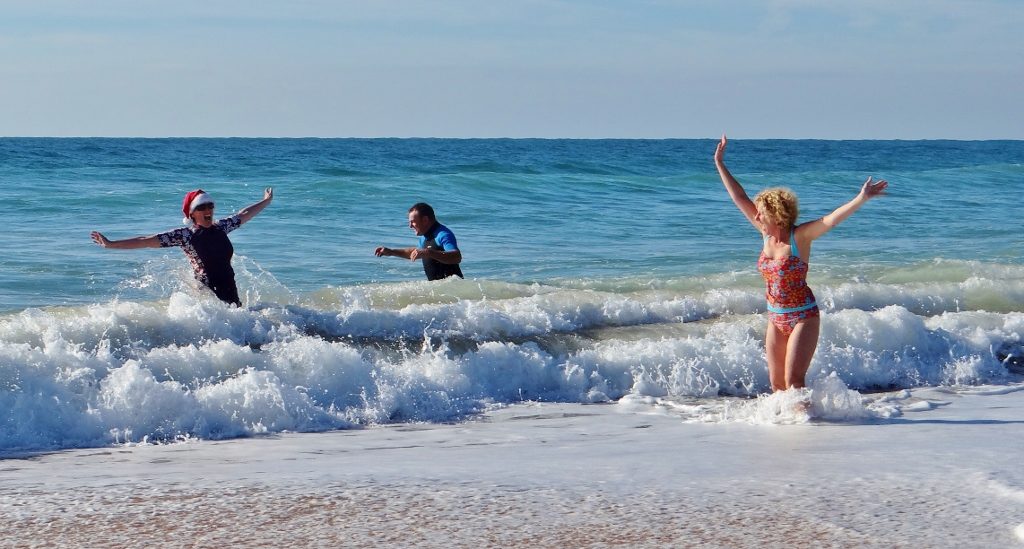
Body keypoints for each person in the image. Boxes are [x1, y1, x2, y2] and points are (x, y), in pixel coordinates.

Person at [714, 135, 887, 392]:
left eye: (761, 210)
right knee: (776, 385)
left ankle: (807, 427)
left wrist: (861, 198)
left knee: (794, 382)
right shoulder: (765, 233)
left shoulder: (800, 237)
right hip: (775, 317)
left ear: (776, 213)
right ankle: (783, 428)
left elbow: (830, 221)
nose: (756, 214)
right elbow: (739, 197)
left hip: (803, 317)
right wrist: (719, 162)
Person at [91, 187, 274, 306]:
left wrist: (266, 201)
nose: (208, 210)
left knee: (236, 318)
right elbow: (145, 240)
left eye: (210, 205)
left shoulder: (222, 227)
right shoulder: (184, 236)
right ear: (192, 214)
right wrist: (111, 244)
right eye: (202, 207)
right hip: (207, 294)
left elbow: (245, 214)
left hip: (229, 287)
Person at [375, 202, 464, 281]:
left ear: (425, 220)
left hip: (455, 293)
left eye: (413, 222)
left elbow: (456, 257)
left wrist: (428, 252)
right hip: (439, 292)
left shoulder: (443, 234)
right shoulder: (424, 237)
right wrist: (391, 252)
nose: (410, 226)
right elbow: (414, 253)